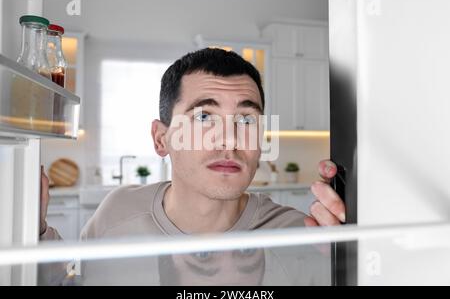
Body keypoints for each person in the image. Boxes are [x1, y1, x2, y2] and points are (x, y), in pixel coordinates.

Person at [40, 48, 345, 244]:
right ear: (162, 139)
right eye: (204, 116)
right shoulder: (116, 215)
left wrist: (350, 255)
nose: (229, 138)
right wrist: (36, 229)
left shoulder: (297, 235)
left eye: (247, 120)